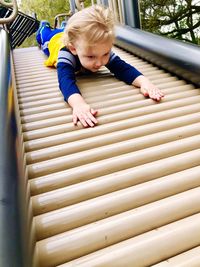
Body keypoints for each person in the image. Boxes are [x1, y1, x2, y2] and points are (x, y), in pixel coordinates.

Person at [36, 5, 164, 128]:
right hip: (53, 40)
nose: (100, 62)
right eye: (91, 57)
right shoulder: (66, 53)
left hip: (72, 37)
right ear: (73, 48)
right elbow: (65, 80)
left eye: (105, 54)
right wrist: (78, 104)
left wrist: (144, 83)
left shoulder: (99, 49)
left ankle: (64, 26)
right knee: (44, 37)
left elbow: (123, 68)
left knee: (72, 33)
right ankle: (44, 26)